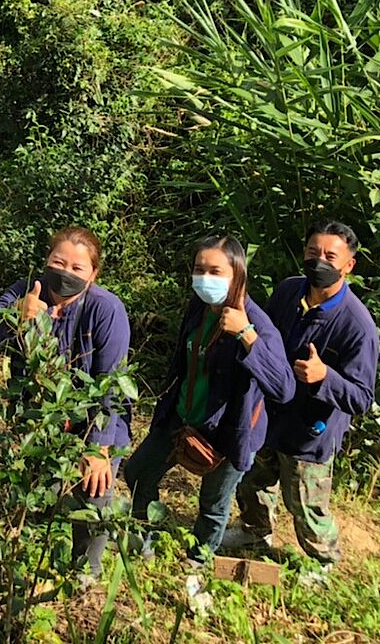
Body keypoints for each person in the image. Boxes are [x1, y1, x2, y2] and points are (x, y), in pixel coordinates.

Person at [122, 236, 294, 561]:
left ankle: (198, 562)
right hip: (182, 417)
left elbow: (284, 388)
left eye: (215, 271)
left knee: (213, 504)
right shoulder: (199, 307)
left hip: (230, 432)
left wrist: (246, 335)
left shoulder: (258, 323)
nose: (205, 278)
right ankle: (145, 543)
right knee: (138, 472)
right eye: (199, 269)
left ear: (237, 274)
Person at [228, 222, 379, 574]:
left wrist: (325, 377)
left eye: (330, 256)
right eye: (313, 253)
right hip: (269, 414)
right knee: (253, 480)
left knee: (306, 505)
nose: (319, 262)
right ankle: (254, 532)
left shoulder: (357, 325)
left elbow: (362, 398)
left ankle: (323, 561)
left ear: (349, 265)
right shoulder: (287, 293)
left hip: (311, 431)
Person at [0, 226, 130, 581]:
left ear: (93, 274)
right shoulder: (25, 292)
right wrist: (16, 319)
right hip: (38, 420)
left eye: (77, 268)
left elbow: (109, 384)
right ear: (46, 262)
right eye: (58, 262)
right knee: (40, 492)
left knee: (94, 490)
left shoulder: (106, 309)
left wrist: (99, 449)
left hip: (94, 420)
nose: (65, 273)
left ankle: (88, 568)